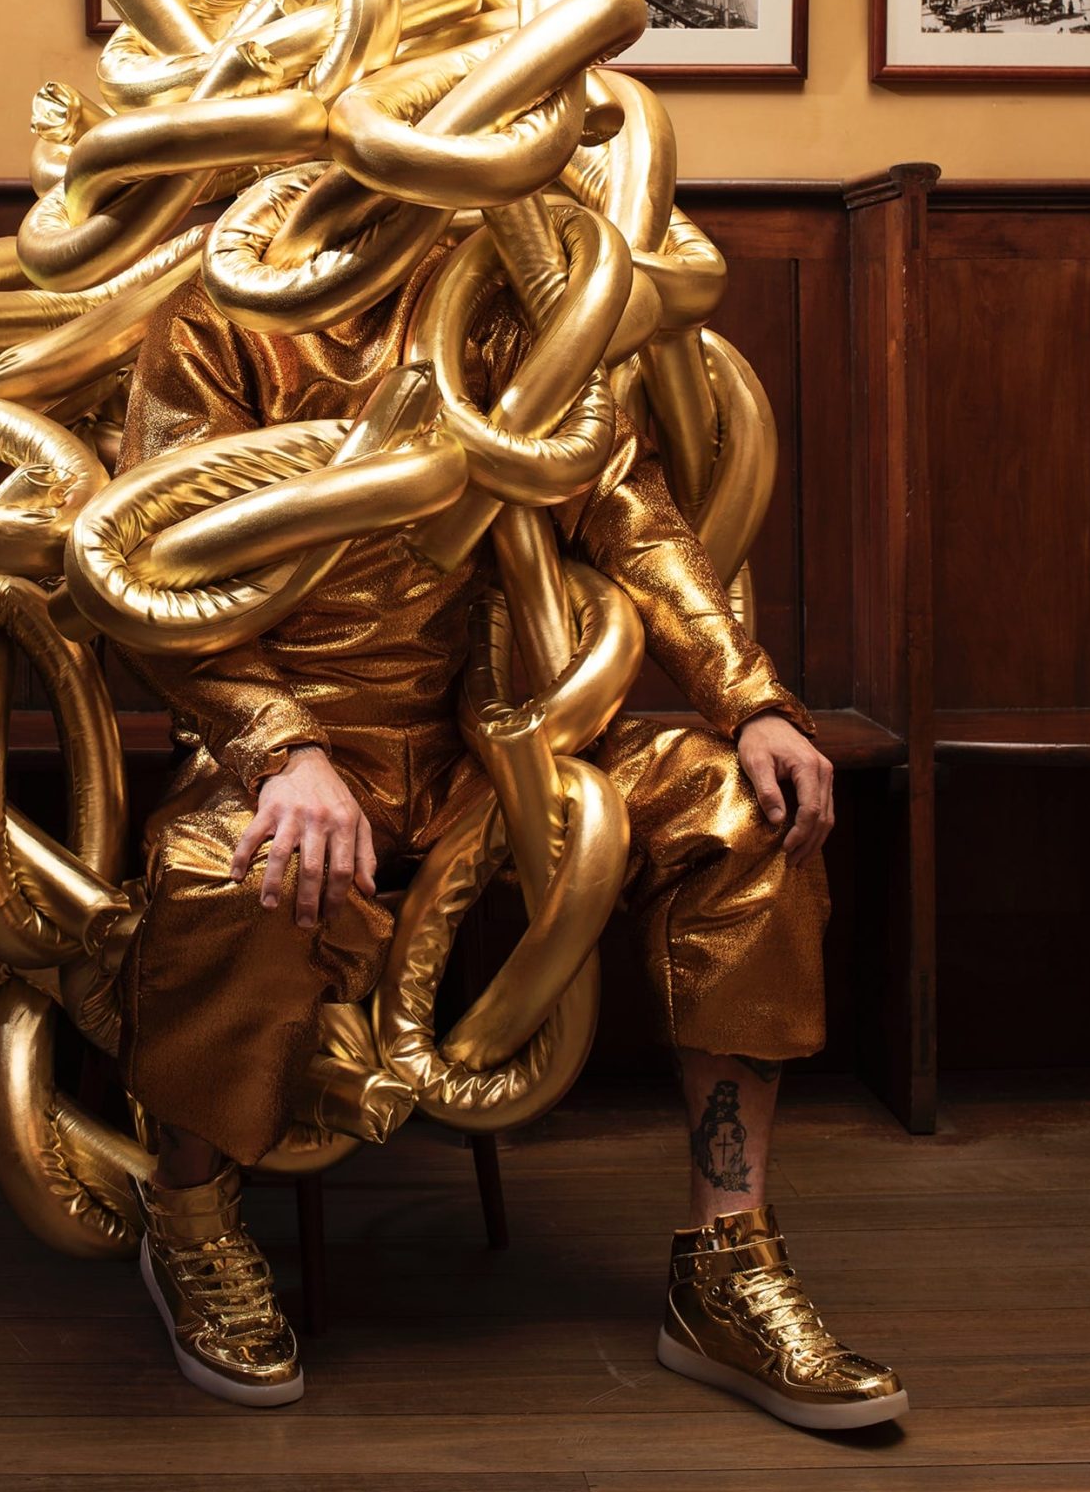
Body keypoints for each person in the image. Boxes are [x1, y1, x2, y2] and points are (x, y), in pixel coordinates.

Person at [112, 254, 908, 1428]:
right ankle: (185, 1218)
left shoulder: (521, 305)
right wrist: (282, 749)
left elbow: (632, 516)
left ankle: (725, 1263)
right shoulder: (221, 315)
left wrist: (755, 703)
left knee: (750, 817)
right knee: (226, 872)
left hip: (514, 741)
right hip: (299, 744)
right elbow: (148, 567)